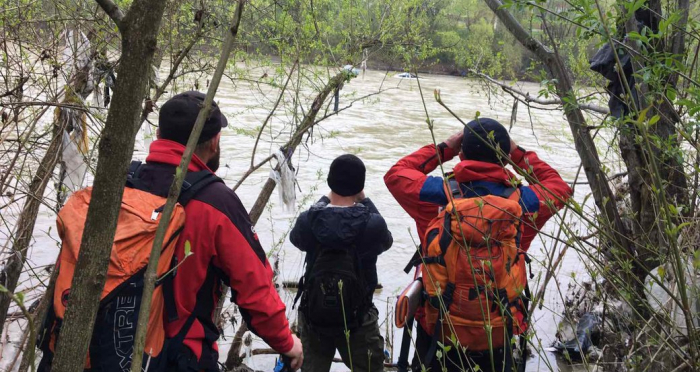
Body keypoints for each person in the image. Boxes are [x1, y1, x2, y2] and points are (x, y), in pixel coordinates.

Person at [384, 118, 573, 372]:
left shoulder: (436, 195)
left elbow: (396, 175)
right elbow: (559, 188)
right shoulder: (524, 204)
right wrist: (518, 154)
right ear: (504, 158)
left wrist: (445, 148)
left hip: (438, 332)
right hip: (497, 334)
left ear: (461, 154)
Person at [141, 91, 303, 371]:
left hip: (108, 346)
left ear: (158, 135)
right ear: (215, 142)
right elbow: (256, 290)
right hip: (176, 355)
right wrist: (287, 343)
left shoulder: (123, 184)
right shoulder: (215, 202)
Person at [290, 154, 393, 372]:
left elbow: (296, 239)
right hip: (358, 318)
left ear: (330, 182)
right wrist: (365, 200)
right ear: (360, 186)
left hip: (314, 315)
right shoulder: (371, 223)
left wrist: (324, 201)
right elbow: (387, 241)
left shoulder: (309, 220)